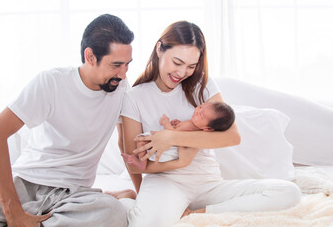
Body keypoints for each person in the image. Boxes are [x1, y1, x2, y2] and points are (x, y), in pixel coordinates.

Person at [118, 21, 301, 227]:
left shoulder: (202, 86)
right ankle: (127, 199)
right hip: (165, 183)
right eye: (177, 62)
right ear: (160, 49)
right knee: (146, 224)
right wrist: (143, 192)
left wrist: (171, 136)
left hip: (209, 183)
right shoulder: (134, 97)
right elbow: (132, 157)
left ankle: (197, 213)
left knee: (288, 192)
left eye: (191, 66)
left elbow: (232, 136)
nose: (181, 72)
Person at [0, 14, 134, 227]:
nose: (123, 73)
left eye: (127, 64)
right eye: (116, 65)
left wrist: (137, 194)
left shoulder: (120, 88)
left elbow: (126, 144)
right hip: (27, 184)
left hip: (74, 195)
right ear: (90, 56)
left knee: (112, 213)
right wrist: (13, 212)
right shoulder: (51, 82)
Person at [121, 101, 235, 170]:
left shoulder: (191, 128)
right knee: (142, 139)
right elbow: (177, 131)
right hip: (168, 141)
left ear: (208, 129)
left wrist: (166, 123)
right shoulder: (193, 124)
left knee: (141, 140)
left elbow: (172, 135)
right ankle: (140, 161)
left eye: (201, 115)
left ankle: (142, 163)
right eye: (200, 107)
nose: (197, 112)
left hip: (168, 150)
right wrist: (177, 124)